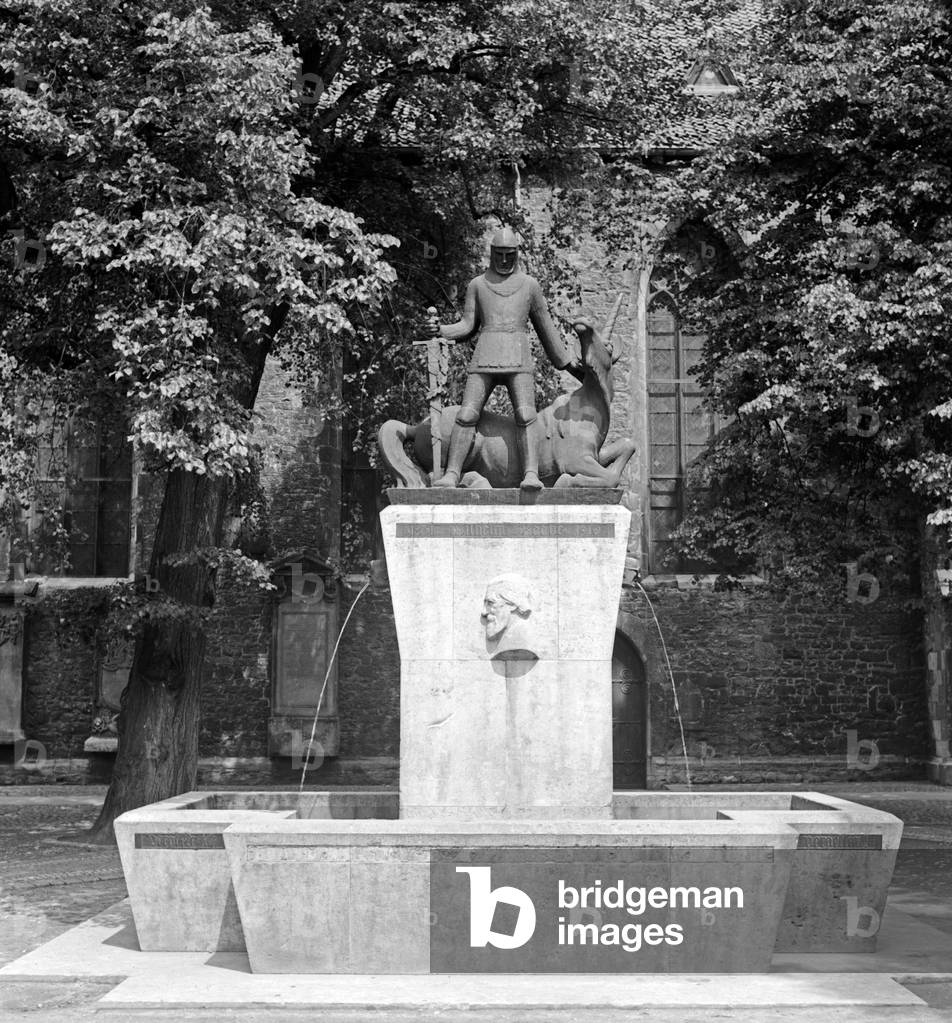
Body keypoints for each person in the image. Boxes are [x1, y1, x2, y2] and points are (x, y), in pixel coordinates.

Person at [431, 227, 581, 490]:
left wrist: (571, 366)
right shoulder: (477, 285)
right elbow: (467, 326)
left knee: (526, 414)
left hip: (518, 356)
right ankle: (451, 474)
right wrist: (441, 330)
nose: (503, 260)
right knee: (466, 414)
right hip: (485, 356)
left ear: (517, 254)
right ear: (491, 253)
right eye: (498, 254)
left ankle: (531, 474)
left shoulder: (530, 286)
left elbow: (548, 332)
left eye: (509, 255)